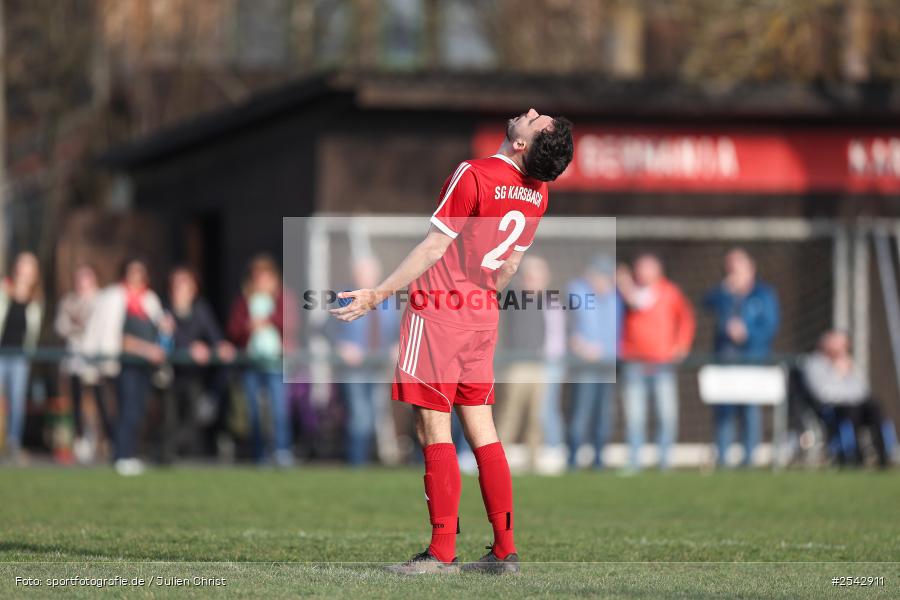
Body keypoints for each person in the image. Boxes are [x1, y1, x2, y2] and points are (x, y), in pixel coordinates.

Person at [331, 108, 573, 574]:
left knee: (433, 429)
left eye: (535, 121)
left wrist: (375, 295)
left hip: (438, 315)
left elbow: (432, 247)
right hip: (482, 317)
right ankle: (505, 550)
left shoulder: (473, 174)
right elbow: (507, 270)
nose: (530, 113)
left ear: (522, 144)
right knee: (483, 432)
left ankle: (441, 551)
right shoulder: (537, 194)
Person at [84, 258, 167, 476]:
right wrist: (145, 349)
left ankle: (129, 453)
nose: (136, 278)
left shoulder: (150, 300)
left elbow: (161, 332)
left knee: (138, 410)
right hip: (124, 364)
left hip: (146, 367)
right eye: (133, 273)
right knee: (127, 409)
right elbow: (116, 338)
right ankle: (121, 454)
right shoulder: (113, 297)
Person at [618, 254, 695, 472]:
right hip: (634, 363)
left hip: (662, 364)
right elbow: (633, 303)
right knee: (635, 416)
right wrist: (623, 283)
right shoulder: (628, 292)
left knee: (666, 415)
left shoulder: (670, 292)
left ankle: (664, 461)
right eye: (640, 268)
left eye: (648, 268)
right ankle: (634, 461)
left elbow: (686, 318)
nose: (643, 273)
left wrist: (682, 344)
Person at [704, 248, 780, 468]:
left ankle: (749, 460)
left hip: (752, 361)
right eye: (730, 268)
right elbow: (706, 302)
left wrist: (747, 333)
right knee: (724, 413)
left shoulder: (764, 294)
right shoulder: (723, 293)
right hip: (724, 363)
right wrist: (725, 290)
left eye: (738, 267)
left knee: (750, 411)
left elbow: (770, 326)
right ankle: (723, 460)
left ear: (751, 269)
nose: (733, 272)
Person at [227, 255, 298, 467]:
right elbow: (233, 330)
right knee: (254, 413)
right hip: (252, 363)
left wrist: (266, 321)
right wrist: (248, 327)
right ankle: (259, 455)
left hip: (276, 363)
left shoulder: (283, 298)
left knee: (279, 410)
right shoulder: (244, 301)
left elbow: (291, 324)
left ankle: (282, 451)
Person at [330, 256, 400, 466]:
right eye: (361, 273)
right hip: (354, 369)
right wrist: (341, 345)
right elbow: (327, 327)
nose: (365, 277)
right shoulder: (344, 297)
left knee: (376, 417)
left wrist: (397, 344)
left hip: (378, 366)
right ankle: (356, 463)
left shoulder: (387, 299)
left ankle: (368, 463)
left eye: (369, 273)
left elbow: (396, 329)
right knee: (360, 417)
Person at [166, 266, 236, 458]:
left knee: (194, 418)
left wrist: (220, 346)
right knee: (171, 419)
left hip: (194, 376)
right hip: (171, 375)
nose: (180, 289)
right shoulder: (165, 312)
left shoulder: (201, 310)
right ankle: (167, 454)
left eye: (185, 284)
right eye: (177, 284)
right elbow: (164, 342)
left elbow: (214, 336)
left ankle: (190, 454)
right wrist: (189, 347)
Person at [496, 255, 554, 471]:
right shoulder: (513, 297)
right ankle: (497, 462)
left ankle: (534, 461)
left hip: (538, 366)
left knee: (535, 418)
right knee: (509, 415)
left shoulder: (545, 301)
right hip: (516, 367)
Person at [566, 256, 622, 470]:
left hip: (607, 365)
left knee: (604, 414)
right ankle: (573, 459)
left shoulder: (614, 298)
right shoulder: (578, 292)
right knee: (580, 413)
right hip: (584, 365)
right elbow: (569, 325)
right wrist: (580, 345)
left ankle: (599, 459)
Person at [802, 330, 890, 468]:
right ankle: (853, 455)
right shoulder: (814, 364)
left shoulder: (847, 363)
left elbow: (862, 391)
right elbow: (823, 393)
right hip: (833, 409)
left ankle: (884, 454)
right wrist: (838, 374)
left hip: (855, 406)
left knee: (874, 406)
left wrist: (849, 372)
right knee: (850, 411)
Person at [55, 264, 113, 463]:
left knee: (100, 401)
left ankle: (106, 440)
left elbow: (99, 327)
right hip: (74, 360)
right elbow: (62, 326)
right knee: (77, 401)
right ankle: (81, 441)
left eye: (86, 278)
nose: (82, 283)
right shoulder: (68, 301)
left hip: (95, 360)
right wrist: (76, 326)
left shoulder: (102, 300)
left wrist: (81, 326)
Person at [0, 252, 43, 461]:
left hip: (19, 358)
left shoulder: (35, 300)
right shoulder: (3, 290)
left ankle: (13, 443)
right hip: (1, 353)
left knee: (17, 402)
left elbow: (32, 335)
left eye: (30, 267)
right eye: (23, 265)